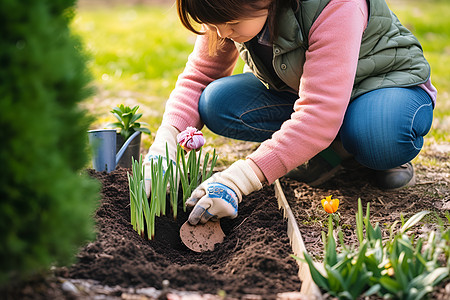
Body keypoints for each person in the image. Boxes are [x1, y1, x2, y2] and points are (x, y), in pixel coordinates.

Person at [144, 0, 436, 225]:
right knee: (215, 102)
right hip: (309, 92)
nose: (222, 34)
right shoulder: (229, 8)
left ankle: (361, 148)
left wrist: (238, 180)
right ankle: (328, 150)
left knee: (379, 135)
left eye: (231, 24)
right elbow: (200, 77)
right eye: (215, 24)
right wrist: (166, 140)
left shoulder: (335, 5)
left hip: (383, 87)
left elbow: (318, 113)